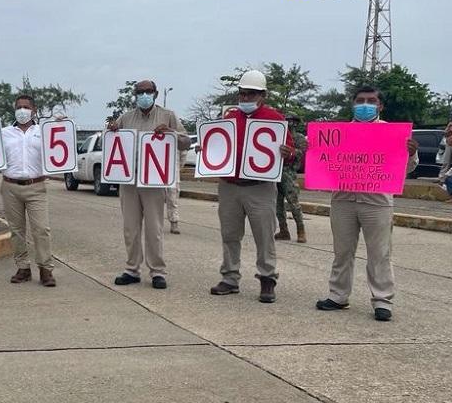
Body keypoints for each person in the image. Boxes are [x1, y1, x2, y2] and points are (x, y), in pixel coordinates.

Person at [316, 86, 419, 322]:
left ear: (380, 106)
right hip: (343, 200)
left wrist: (410, 154)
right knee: (342, 252)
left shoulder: (393, 133)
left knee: (380, 253)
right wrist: (315, 153)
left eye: (371, 101)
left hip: (377, 201)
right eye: (360, 100)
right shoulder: (338, 133)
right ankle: (338, 295)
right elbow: (324, 165)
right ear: (352, 104)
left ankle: (383, 301)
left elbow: (409, 168)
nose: (365, 104)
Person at [209, 69, 295, 303]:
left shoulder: (275, 119)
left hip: (260, 186)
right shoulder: (230, 118)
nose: (246, 98)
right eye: (242, 94)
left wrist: (287, 153)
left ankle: (267, 278)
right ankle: (230, 278)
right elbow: (219, 147)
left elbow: (289, 153)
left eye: (251, 94)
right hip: (230, 185)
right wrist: (208, 151)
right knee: (229, 233)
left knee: (264, 235)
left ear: (263, 95)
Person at [107, 79, 190, 289]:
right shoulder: (126, 117)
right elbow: (113, 142)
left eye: (148, 91)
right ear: (135, 95)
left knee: (154, 228)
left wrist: (171, 133)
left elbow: (186, 142)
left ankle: (157, 271)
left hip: (154, 181)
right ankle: (132, 269)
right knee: (130, 229)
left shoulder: (167, 115)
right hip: (129, 181)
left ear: (155, 93)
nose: (144, 95)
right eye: (140, 92)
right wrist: (111, 130)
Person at [0, 94, 56, 286]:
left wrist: (61, 126)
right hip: (10, 186)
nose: (22, 110)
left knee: (41, 229)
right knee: (16, 230)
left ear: (34, 110)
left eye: (26, 107)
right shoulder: (3, 132)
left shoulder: (44, 132)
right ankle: (23, 268)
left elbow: (60, 149)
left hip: (37, 186)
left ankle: (45, 269)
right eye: (19, 107)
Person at [275, 114, 308, 243]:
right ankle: (283, 230)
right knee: (277, 205)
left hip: (289, 172)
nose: (290, 123)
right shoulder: (278, 135)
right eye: (287, 120)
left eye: (293, 121)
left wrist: (291, 151)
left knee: (293, 203)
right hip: (275, 172)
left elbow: (301, 153)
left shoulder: (299, 137)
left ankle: (301, 230)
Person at [164, 144, 187, 235]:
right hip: (155, 168)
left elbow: (184, 151)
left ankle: (174, 222)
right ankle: (153, 223)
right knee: (153, 199)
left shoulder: (177, 130)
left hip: (173, 170)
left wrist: (177, 168)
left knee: (173, 198)